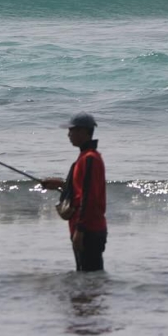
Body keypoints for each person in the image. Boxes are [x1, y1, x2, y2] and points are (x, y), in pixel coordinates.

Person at [40, 111, 107, 272]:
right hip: (85, 228)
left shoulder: (90, 159)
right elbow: (80, 189)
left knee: (89, 275)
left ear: (83, 132)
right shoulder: (85, 157)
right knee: (86, 277)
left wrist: (80, 231)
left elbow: (89, 197)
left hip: (89, 230)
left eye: (72, 130)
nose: (68, 134)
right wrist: (60, 185)